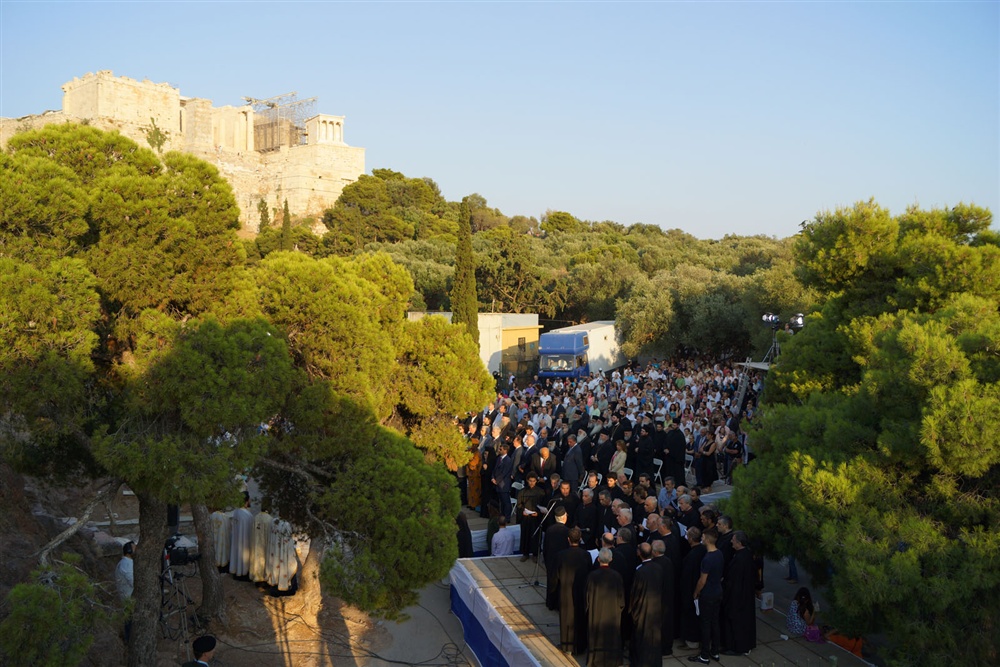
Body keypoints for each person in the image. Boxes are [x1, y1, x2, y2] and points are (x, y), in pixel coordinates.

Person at [554, 527, 592, 655]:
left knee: (566, 618)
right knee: (580, 617)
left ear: (568, 539)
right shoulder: (586, 555)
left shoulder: (561, 555)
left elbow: (556, 574)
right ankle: (580, 645)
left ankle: (566, 645)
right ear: (580, 539)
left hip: (565, 591)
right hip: (581, 591)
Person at [689, 528, 723, 664]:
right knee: (715, 622)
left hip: (708, 594)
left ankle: (704, 655)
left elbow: (702, 580)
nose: (701, 538)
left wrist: (696, 592)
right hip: (718, 592)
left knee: (706, 624)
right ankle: (715, 651)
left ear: (707, 539)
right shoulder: (719, 554)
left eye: (703, 537)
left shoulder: (707, 559)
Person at [586, 548, 625, 667]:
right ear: (611, 559)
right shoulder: (617, 576)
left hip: (596, 611)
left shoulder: (593, 576)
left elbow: (587, 596)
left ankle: (594, 660)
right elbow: (621, 597)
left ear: (598, 559)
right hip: (612, 612)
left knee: (596, 635)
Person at [721, 530, 757, 656]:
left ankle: (737, 647)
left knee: (736, 623)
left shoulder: (740, 559)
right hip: (743, 595)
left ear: (739, 542)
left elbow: (734, 580)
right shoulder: (745, 555)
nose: (731, 542)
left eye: (734, 540)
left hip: (737, 597)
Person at [629, 542, 664, 667]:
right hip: (655, 607)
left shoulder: (640, 571)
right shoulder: (658, 568)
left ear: (639, 553)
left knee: (641, 639)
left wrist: (632, 609)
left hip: (643, 609)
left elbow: (635, 592)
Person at [544, 506, 571, 609]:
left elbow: (545, 546)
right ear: (564, 517)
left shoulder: (549, 530)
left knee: (551, 581)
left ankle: (550, 603)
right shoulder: (567, 531)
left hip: (551, 560)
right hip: (563, 561)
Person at [516, 472, 547, 561]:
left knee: (536, 536)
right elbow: (519, 504)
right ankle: (525, 553)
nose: (532, 483)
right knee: (525, 535)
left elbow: (543, 504)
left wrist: (538, 513)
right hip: (526, 517)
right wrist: (522, 511)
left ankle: (535, 554)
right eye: (530, 481)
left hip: (535, 518)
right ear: (527, 481)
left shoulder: (540, 492)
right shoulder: (523, 492)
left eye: (534, 481)